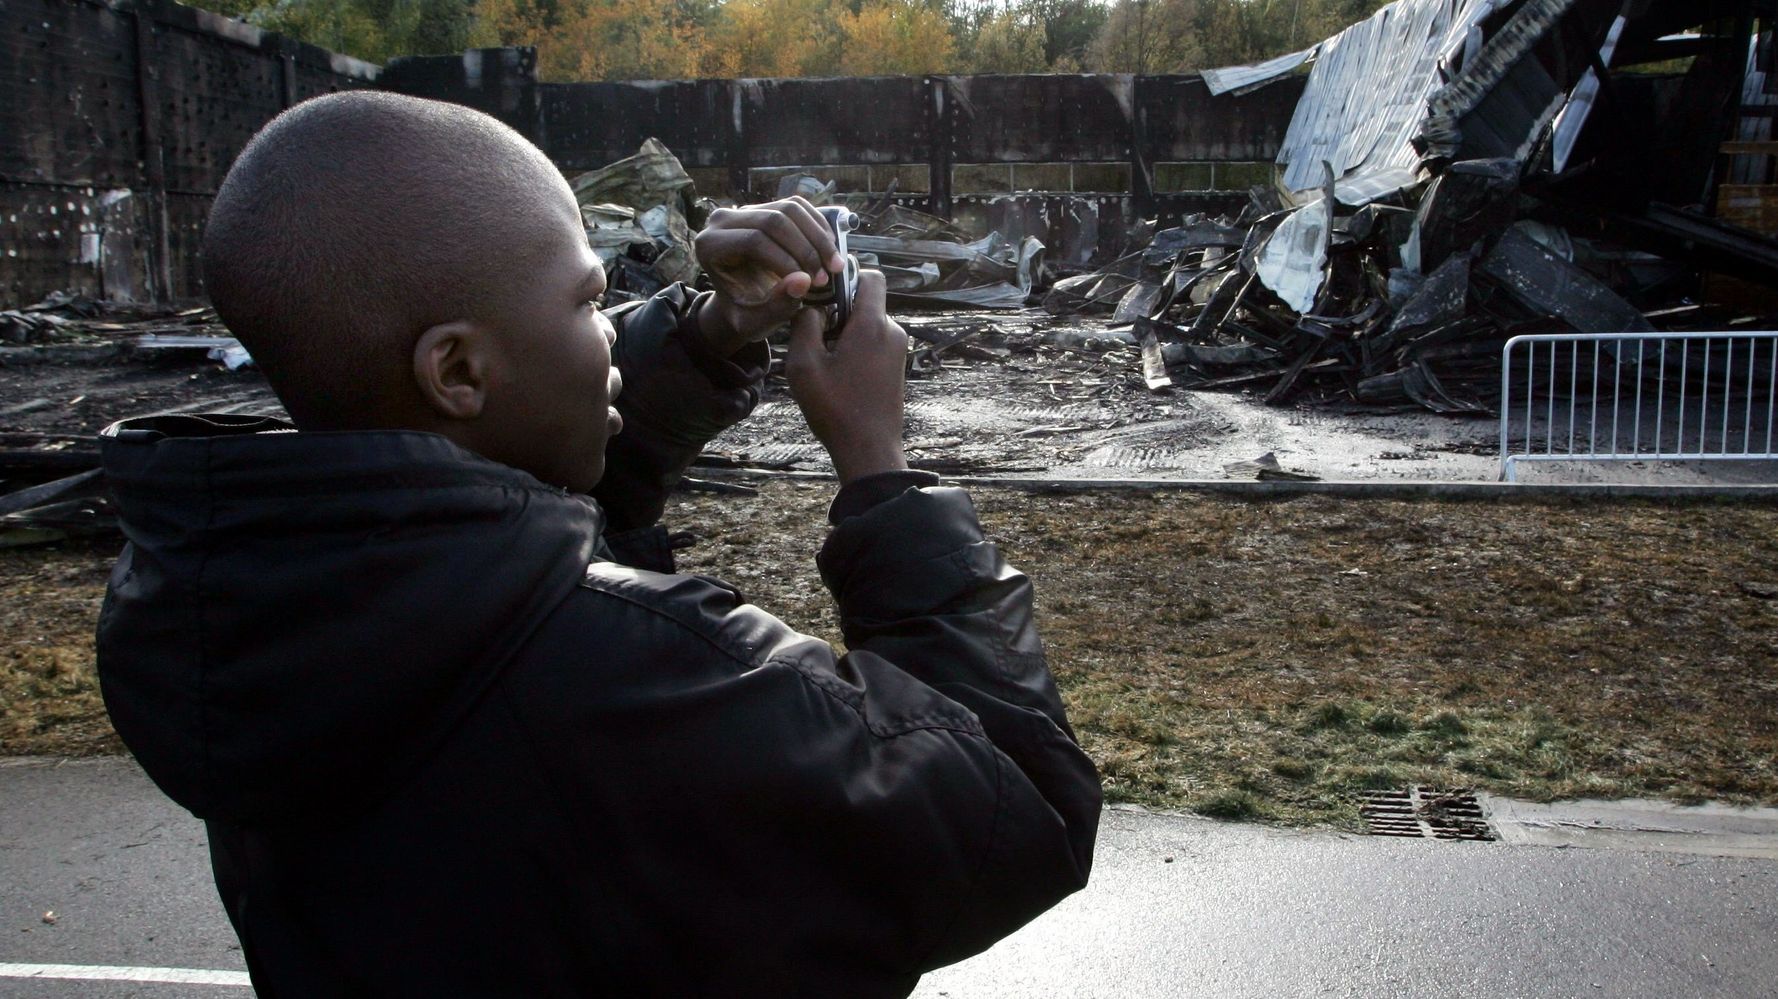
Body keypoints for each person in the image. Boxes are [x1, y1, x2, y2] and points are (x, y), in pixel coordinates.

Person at [95, 91, 1099, 997]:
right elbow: (1023, 814)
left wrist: (707, 336)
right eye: (586, 301)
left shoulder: (234, 619)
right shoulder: (658, 685)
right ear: (455, 370)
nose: (613, 327)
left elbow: (482, 536)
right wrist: (879, 472)